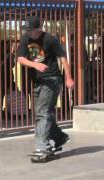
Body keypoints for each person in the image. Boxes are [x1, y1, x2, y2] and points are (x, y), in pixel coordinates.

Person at [17, 16, 74, 156]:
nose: (30, 33)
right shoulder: (25, 39)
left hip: (52, 79)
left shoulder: (50, 39)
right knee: (41, 112)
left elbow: (63, 58)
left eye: (32, 30)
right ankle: (59, 137)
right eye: (28, 30)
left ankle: (43, 147)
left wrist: (69, 78)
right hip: (38, 81)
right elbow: (20, 58)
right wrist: (34, 64)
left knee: (43, 112)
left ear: (39, 28)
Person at [0, 40, 17, 113]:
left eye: (10, 45)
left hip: (10, 75)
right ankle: (0, 109)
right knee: (2, 92)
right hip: (1, 76)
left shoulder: (9, 54)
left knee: (11, 91)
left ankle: (10, 108)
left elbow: (12, 66)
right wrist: (8, 57)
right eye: (8, 45)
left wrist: (12, 57)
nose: (9, 47)